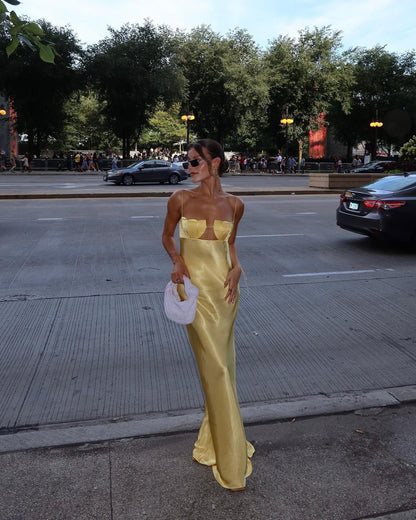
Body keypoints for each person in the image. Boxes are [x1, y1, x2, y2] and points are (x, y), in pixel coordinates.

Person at [162, 138, 254, 491]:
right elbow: (167, 236)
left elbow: (230, 245)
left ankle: (213, 438)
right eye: (188, 162)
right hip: (195, 290)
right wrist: (177, 260)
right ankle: (231, 462)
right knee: (215, 367)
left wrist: (237, 268)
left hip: (226, 291)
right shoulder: (180, 199)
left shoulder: (236, 204)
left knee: (224, 368)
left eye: (195, 161)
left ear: (215, 163)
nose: (189, 167)